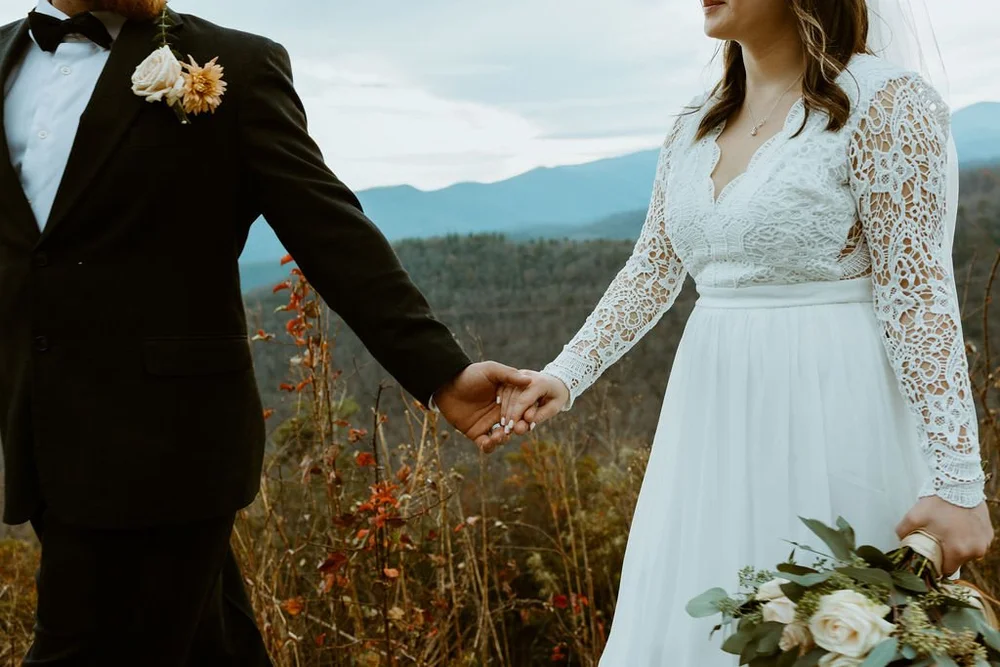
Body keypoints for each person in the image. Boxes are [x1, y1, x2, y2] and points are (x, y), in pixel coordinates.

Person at [0, 1, 526, 663]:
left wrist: (441, 373)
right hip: (39, 441)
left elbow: (330, 231)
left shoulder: (237, 68)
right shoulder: (5, 59)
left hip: (170, 447)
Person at [489, 0, 995, 663]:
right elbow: (653, 266)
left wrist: (958, 484)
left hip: (836, 414)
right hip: (709, 425)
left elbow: (920, 298)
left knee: (831, 627)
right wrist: (564, 372)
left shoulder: (886, 102)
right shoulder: (694, 125)